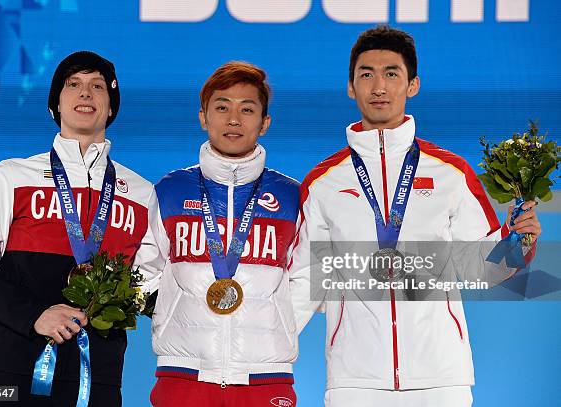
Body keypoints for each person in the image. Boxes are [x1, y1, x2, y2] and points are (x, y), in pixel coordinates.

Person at [288, 26, 541, 407]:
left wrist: (520, 240)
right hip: (355, 381)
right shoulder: (323, 182)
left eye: (392, 73)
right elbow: (305, 281)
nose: (378, 87)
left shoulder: (451, 173)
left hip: (441, 379)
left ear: (413, 85)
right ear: (350, 87)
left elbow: (481, 270)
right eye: (366, 74)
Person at [0, 51, 162, 406]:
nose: (86, 93)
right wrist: (35, 315)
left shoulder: (142, 194)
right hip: (11, 374)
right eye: (73, 84)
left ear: (111, 107)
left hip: (100, 380)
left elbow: (150, 288)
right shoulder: (12, 175)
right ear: (55, 105)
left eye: (97, 86)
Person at [148, 61, 300, 406]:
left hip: (267, 377)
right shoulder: (169, 191)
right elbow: (146, 270)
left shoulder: (292, 196)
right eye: (222, 107)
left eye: (247, 109)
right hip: (182, 373)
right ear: (203, 117)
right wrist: (176, 315)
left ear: (265, 123)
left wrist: (278, 327)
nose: (234, 120)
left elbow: (305, 276)